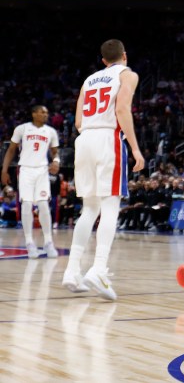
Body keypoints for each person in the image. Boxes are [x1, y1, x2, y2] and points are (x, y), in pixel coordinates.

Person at [61, 40, 145, 299]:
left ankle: (72, 272)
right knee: (110, 206)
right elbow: (121, 109)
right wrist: (135, 147)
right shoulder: (127, 74)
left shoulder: (89, 80)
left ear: (103, 60)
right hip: (109, 138)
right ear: (124, 55)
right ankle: (98, 268)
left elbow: (77, 121)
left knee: (89, 208)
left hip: (84, 139)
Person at [2, 105, 61, 258]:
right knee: (27, 204)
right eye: (42, 112)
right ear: (34, 113)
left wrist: (56, 160)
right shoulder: (22, 129)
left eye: (47, 113)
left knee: (43, 204)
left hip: (42, 170)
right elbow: (11, 150)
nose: (45, 115)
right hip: (25, 170)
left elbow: (55, 152)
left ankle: (48, 242)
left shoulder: (51, 132)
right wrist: (4, 170)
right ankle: (29, 243)